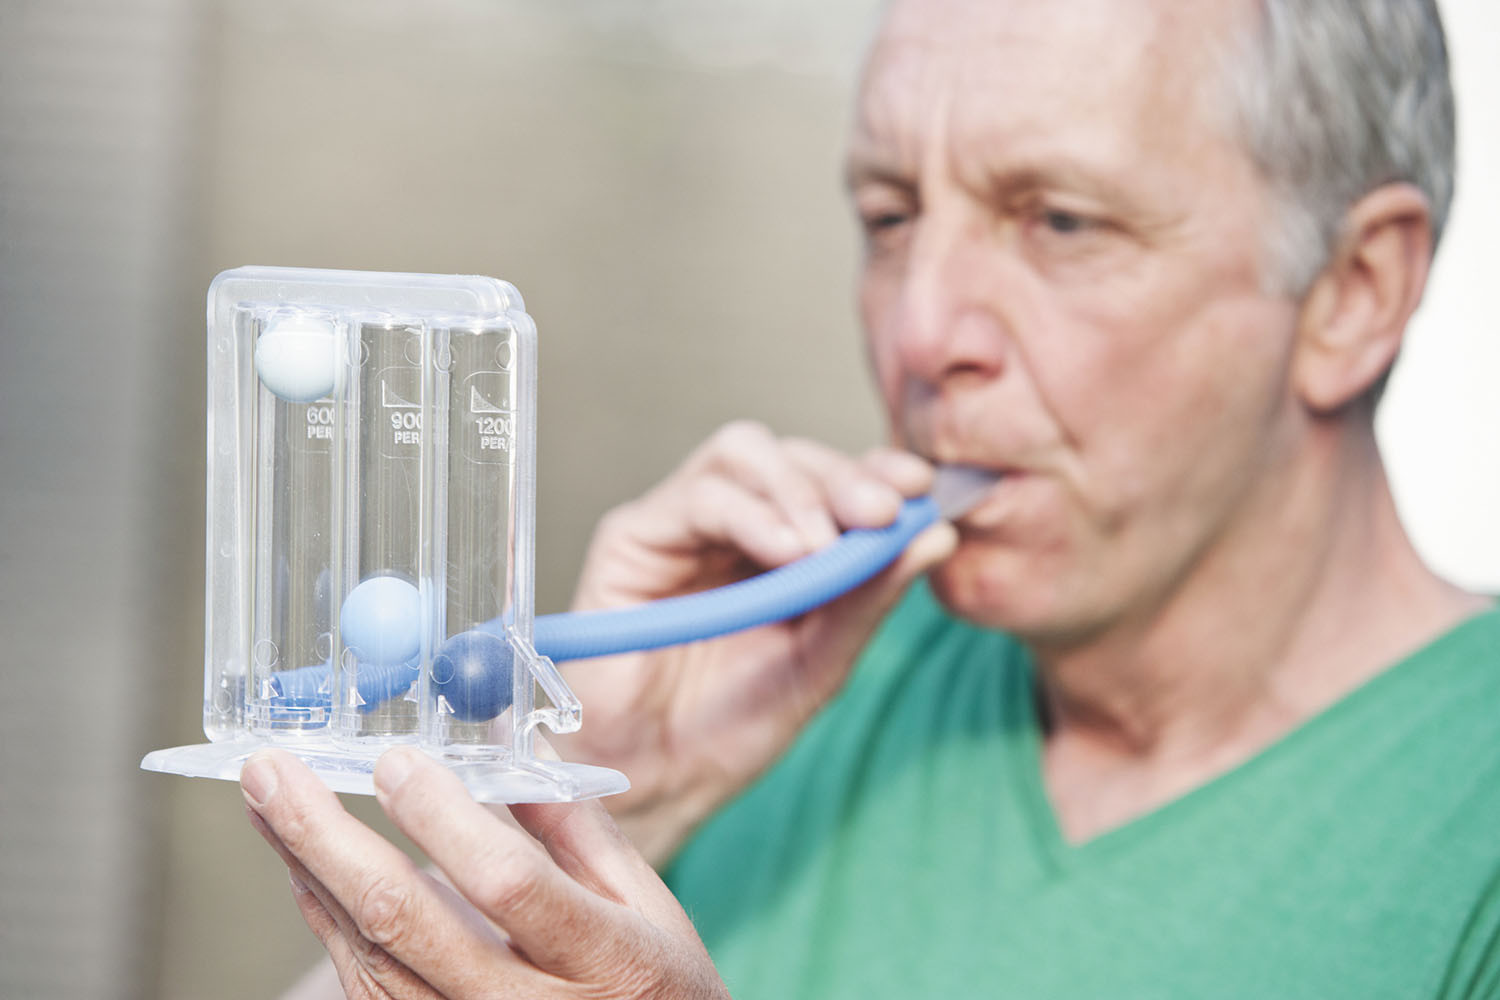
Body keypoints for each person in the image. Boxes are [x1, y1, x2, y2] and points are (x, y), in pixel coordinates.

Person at [241, 0, 1500, 996]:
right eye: (890, 216)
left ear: (1355, 293)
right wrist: (608, 785)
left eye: (1059, 220)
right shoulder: (783, 684)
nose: (923, 325)